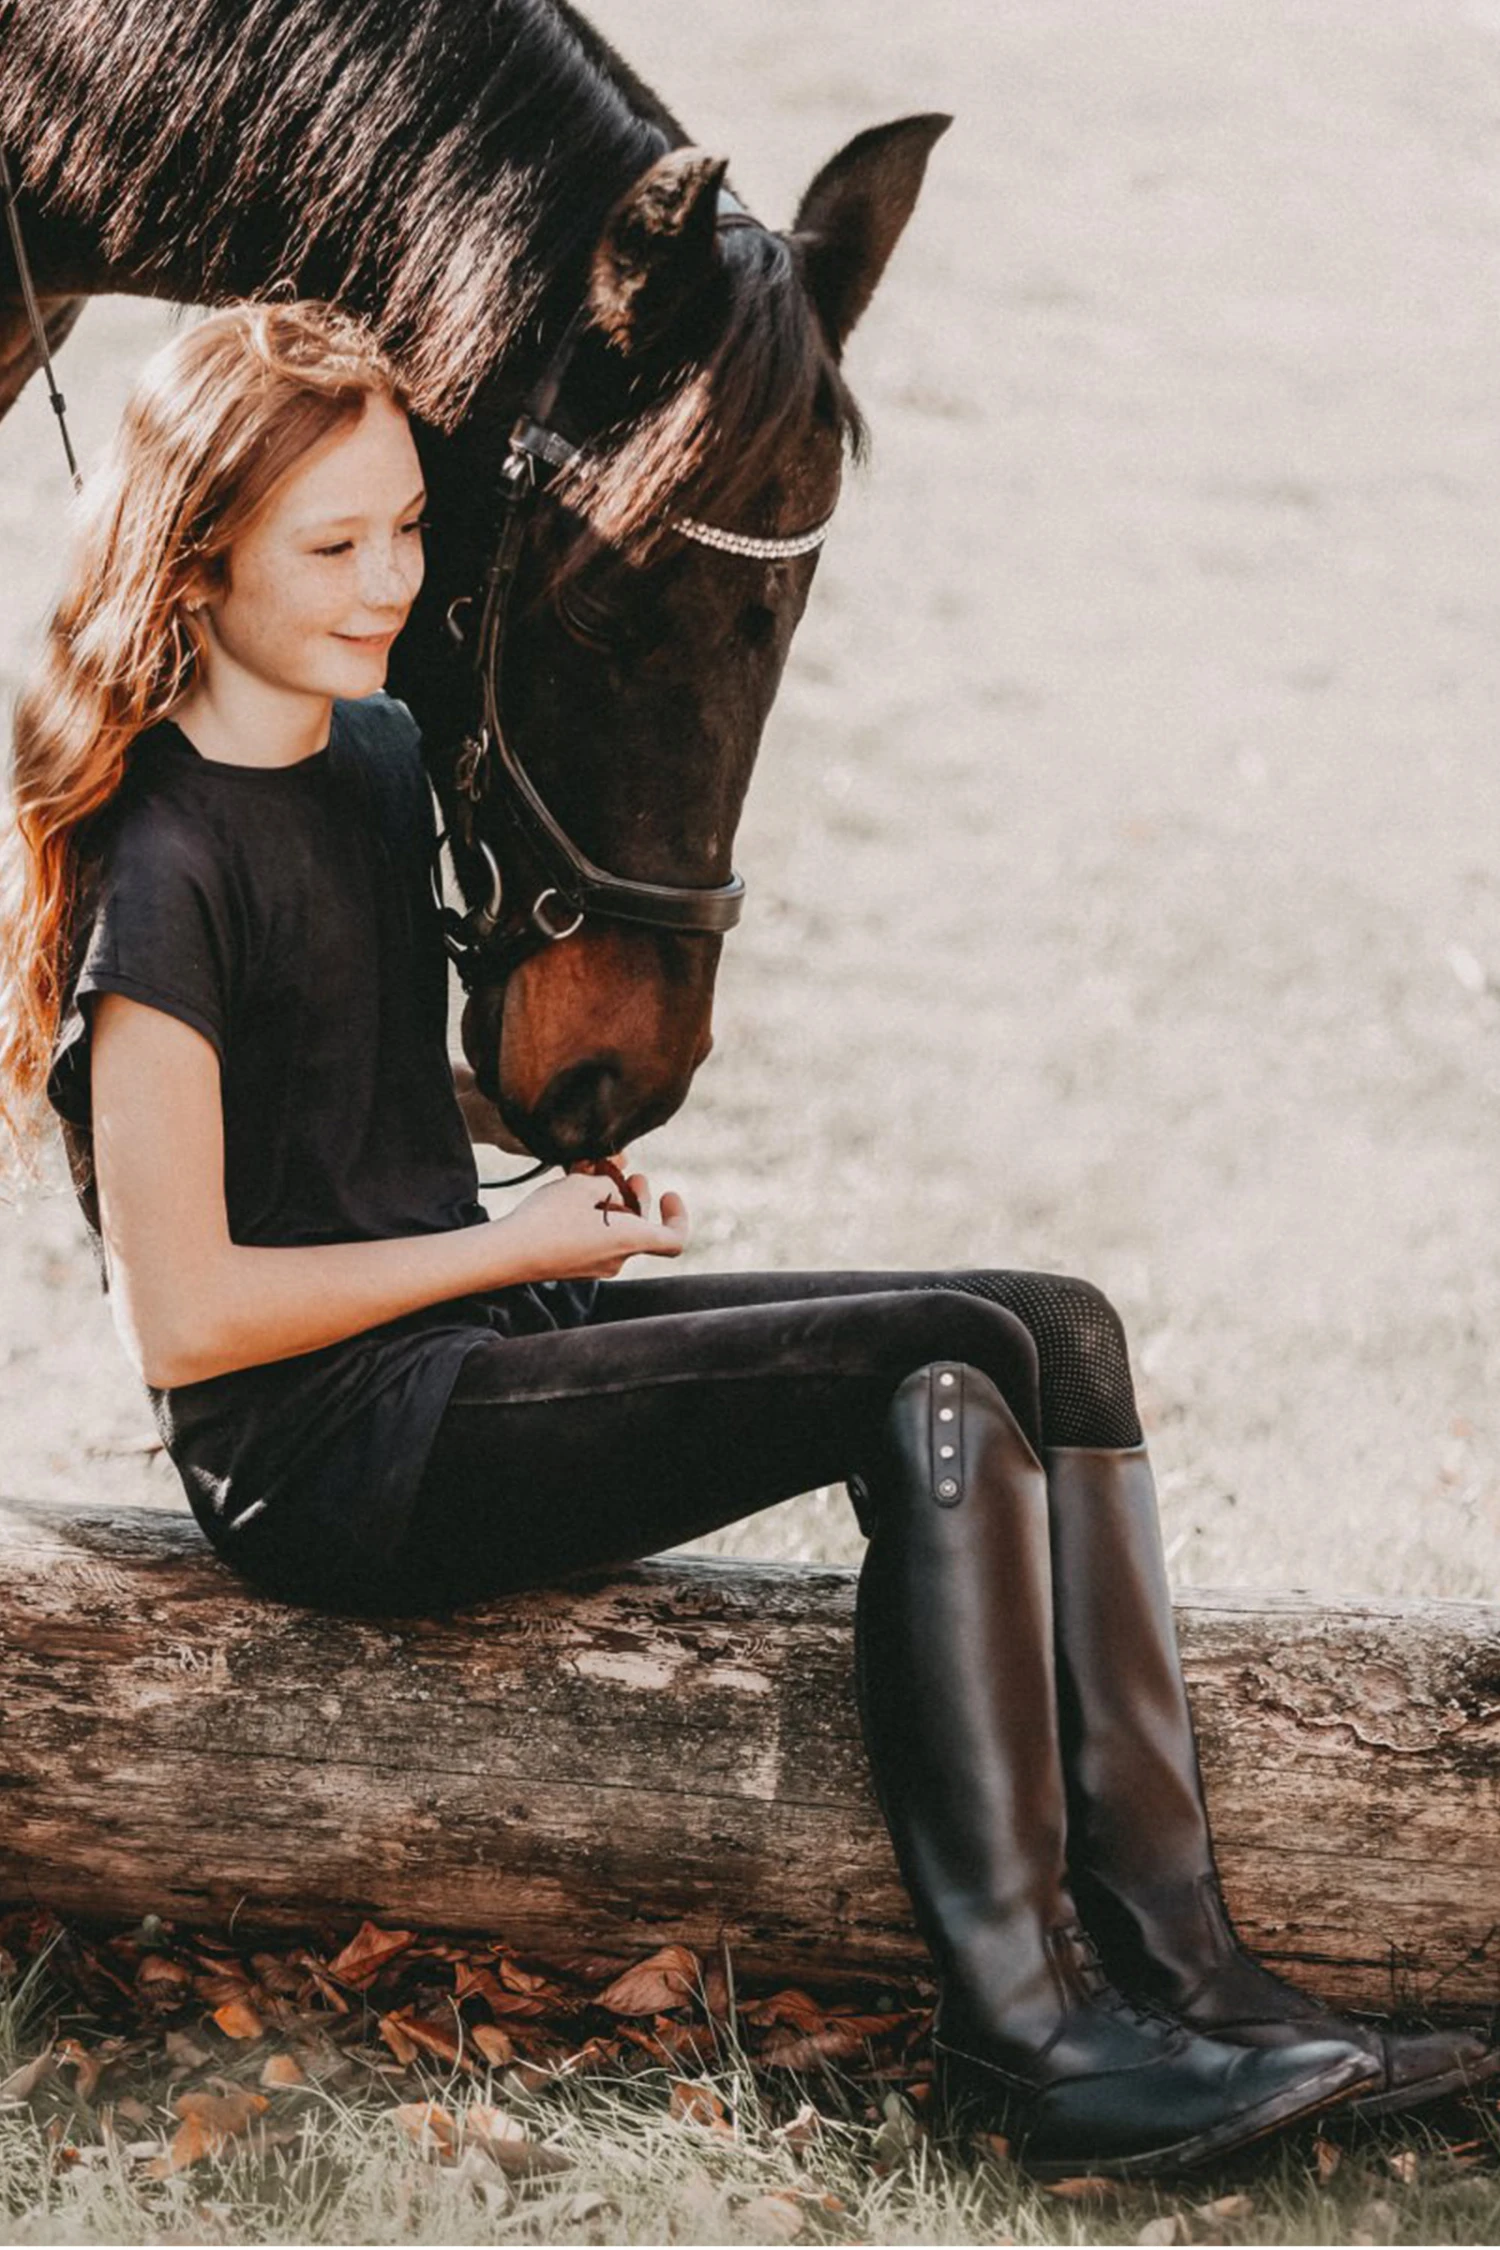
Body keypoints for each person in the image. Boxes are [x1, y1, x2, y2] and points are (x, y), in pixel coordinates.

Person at [0, 300, 1491, 2180]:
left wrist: (537, 1156)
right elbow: (190, 1316)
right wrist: (502, 1250)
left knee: (1054, 1325)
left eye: (408, 527)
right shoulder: (161, 864)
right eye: (336, 544)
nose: (393, 580)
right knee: (930, 1362)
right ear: (199, 560)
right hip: (332, 1457)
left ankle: (1198, 1978)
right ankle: (1033, 2037)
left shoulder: (367, 757)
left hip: (467, 1351)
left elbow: (331, 1086)